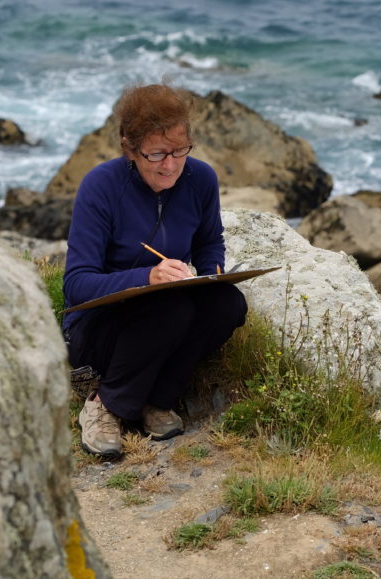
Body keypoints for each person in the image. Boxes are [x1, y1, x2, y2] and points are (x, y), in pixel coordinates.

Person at [62, 83, 248, 458]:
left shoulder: (200, 180)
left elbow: (210, 243)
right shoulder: (101, 186)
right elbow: (77, 284)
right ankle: (105, 403)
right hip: (96, 331)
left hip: (163, 320)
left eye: (179, 151)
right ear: (130, 150)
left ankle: (157, 400)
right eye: (156, 154)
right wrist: (146, 277)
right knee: (171, 309)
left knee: (227, 304)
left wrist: (211, 275)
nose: (170, 165)